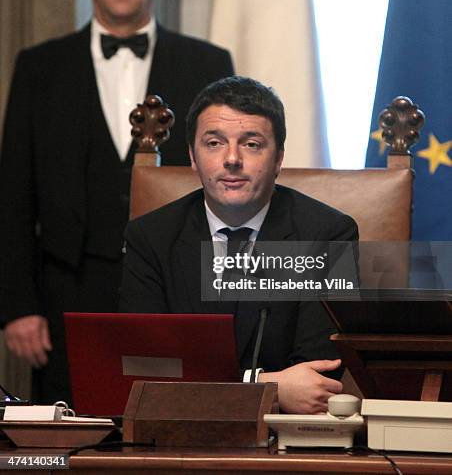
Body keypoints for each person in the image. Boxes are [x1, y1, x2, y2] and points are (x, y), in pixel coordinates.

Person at [0, 0, 233, 404]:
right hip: (66, 292)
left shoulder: (209, 65)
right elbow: (13, 195)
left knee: (174, 426)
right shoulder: (39, 68)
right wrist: (17, 306)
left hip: (179, 289)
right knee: (68, 435)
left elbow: (228, 181)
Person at [119, 76, 358, 414]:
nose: (232, 159)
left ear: (278, 159)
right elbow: (144, 373)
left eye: (252, 144)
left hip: (284, 442)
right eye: (214, 143)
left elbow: (318, 375)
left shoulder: (328, 235)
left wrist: (205, 389)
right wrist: (266, 388)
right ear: (192, 156)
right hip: (176, 434)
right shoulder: (150, 238)